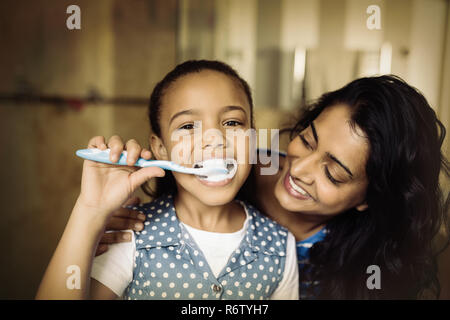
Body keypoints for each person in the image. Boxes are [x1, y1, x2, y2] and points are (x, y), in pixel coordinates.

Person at [99, 75, 449, 299]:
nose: (300, 169)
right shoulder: (235, 164)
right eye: (307, 141)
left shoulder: (369, 269)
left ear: (369, 200)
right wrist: (102, 221)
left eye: (334, 174)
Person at [36, 60, 299, 300]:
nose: (215, 138)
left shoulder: (279, 245)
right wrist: (90, 210)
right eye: (187, 126)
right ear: (161, 148)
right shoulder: (130, 236)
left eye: (232, 122)